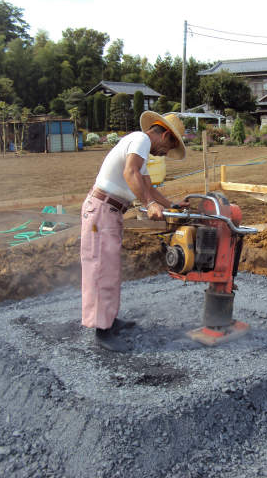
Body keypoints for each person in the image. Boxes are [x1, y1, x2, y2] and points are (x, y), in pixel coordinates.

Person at [81, 111, 187, 352]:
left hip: (110, 210)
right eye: (169, 147)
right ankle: (102, 331)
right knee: (100, 266)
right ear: (166, 135)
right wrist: (150, 205)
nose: (165, 153)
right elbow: (131, 174)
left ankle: (108, 319)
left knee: (109, 266)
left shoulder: (140, 147)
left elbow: (147, 187)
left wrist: (171, 205)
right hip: (101, 210)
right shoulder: (140, 139)